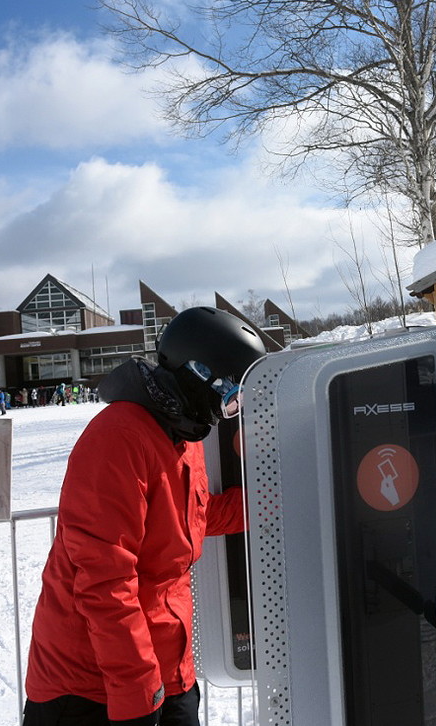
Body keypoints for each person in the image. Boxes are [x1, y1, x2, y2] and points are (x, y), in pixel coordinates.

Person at [22, 307, 266, 726]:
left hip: (165, 669)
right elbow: (104, 580)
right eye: (231, 395)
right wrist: (136, 696)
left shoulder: (183, 434)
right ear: (199, 374)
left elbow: (194, 518)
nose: (231, 409)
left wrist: (274, 501)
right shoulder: (118, 437)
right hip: (90, 686)